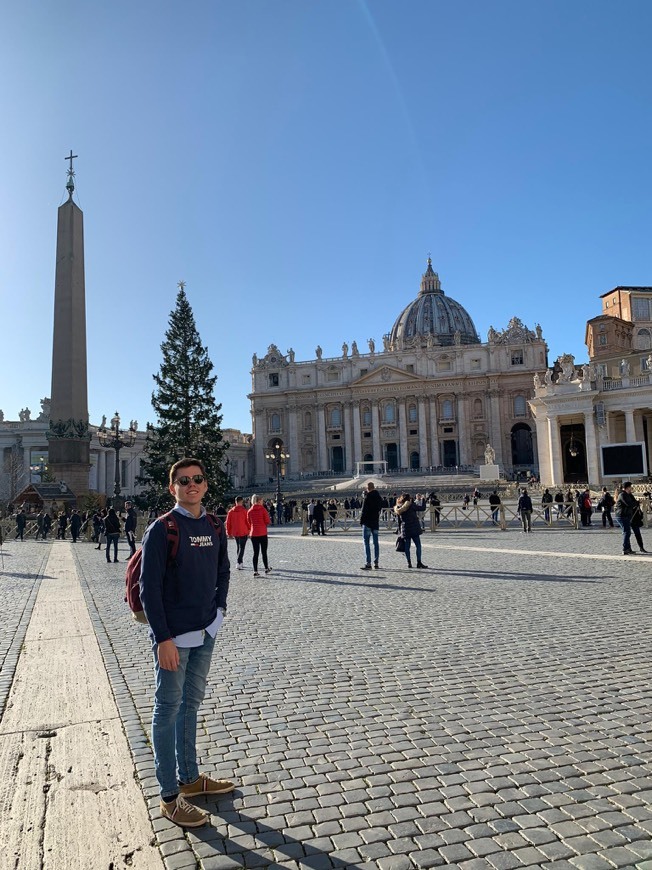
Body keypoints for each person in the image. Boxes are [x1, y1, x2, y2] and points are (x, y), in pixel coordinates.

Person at [139, 458, 232, 828]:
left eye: (197, 479)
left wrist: (219, 610)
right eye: (183, 481)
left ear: (206, 485)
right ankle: (168, 795)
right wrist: (162, 637)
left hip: (205, 630)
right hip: (174, 638)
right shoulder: (163, 529)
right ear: (172, 488)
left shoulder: (213, 525)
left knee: (191, 704)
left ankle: (190, 779)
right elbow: (149, 589)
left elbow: (223, 570)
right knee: (167, 710)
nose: (191, 485)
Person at [394, 493, 428, 568]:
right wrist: (423, 500)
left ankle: (409, 563)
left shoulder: (398, 507)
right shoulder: (411, 505)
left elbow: (398, 521)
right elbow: (422, 508)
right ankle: (419, 562)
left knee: (407, 546)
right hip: (414, 528)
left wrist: (399, 531)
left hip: (405, 529)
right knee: (418, 545)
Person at [360, 481, 383, 570]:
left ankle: (368, 563)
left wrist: (361, 521)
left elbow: (364, 510)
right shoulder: (379, 497)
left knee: (366, 543)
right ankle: (376, 563)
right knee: (376, 543)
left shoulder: (367, 497)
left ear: (367, 488)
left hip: (367, 523)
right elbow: (379, 508)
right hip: (375, 522)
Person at [247, 494, 271, 576]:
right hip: (263, 533)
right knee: (264, 552)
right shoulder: (263, 510)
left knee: (255, 553)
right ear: (259, 501)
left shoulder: (249, 511)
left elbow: (249, 522)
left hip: (254, 534)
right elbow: (267, 521)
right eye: (262, 501)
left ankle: (255, 570)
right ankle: (266, 568)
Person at [615, 482, 640, 555]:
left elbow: (632, 502)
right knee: (627, 532)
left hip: (626, 515)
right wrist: (636, 503)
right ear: (627, 487)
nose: (631, 488)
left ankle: (628, 548)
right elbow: (629, 504)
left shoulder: (627, 494)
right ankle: (625, 548)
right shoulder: (622, 495)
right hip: (622, 515)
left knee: (627, 532)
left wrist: (635, 502)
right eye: (630, 487)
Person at [226, 496, 250, 569]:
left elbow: (228, 523)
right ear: (241, 501)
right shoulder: (244, 511)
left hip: (235, 531)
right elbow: (247, 521)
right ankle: (239, 562)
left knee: (238, 546)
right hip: (243, 530)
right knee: (242, 547)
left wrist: (228, 532)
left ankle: (240, 562)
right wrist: (249, 530)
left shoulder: (231, 511)